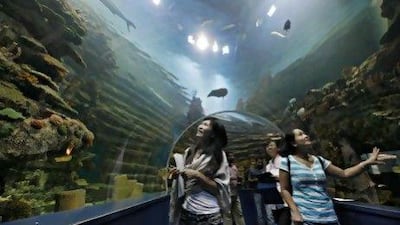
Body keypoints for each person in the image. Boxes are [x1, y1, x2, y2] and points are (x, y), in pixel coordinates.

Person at [279, 128, 396, 225]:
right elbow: (284, 189)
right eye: (300, 134)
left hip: (329, 216)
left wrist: (366, 163)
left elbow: (344, 174)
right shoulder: (287, 162)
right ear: (293, 143)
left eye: (305, 133)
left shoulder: (319, 160)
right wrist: (295, 212)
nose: (306, 135)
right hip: (306, 217)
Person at [169, 117, 231, 225]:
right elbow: (186, 182)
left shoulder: (218, 155)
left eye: (206, 125)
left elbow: (220, 188)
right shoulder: (189, 152)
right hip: (186, 211)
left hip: (209, 215)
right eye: (201, 124)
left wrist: (198, 175)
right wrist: (177, 175)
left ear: (212, 134)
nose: (201, 126)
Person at [265, 140, 291, 225]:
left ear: (278, 148)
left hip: (285, 200)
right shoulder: (268, 166)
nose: (269, 148)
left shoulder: (284, 161)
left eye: (271, 145)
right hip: (274, 200)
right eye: (267, 146)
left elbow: (290, 177)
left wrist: (278, 178)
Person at [225, 152, 245, 225]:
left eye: (233, 156)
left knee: (239, 213)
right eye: (230, 156)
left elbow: (237, 176)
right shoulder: (223, 167)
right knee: (228, 215)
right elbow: (223, 179)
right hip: (227, 194)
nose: (232, 157)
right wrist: (233, 178)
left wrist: (239, 179)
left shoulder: (234, 166)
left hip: (235, 193)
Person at [247, 157, 267, 225]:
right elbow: (249, 179)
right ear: (256, 162)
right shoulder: (252, 170)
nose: (260, 164)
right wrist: (254, 180)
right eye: (259, 162)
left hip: (265, 191)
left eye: (261, 162)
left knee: (268, 209)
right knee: (259, 210)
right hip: (256, 191)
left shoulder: (264, 169)